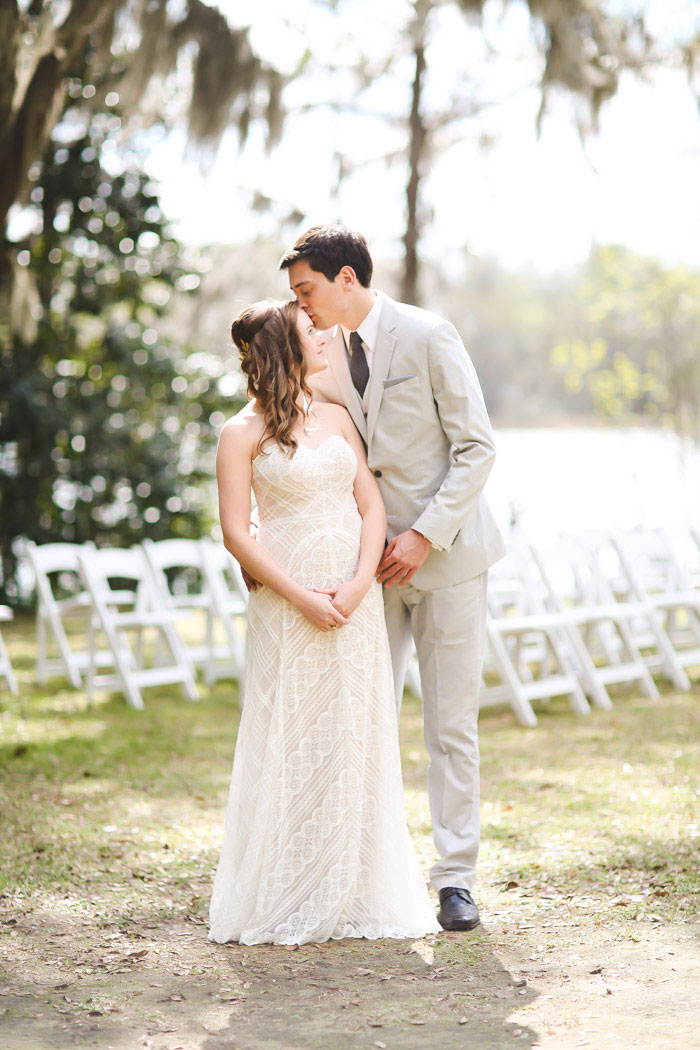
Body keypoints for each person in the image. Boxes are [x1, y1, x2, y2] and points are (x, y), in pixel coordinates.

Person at [277, 224, 507, 931]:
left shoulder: (430, 336)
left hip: (448, 560)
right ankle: (365, 875)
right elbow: (293, 431)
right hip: (366, 570)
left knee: (450, 727)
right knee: (366, 720)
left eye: (306, 290)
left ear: (348, 279)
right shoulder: (323, 355)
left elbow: (477, 448)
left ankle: (455, 880)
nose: (301, 307)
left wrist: (424, 535)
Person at [207, 297, 440, 946]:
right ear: (283, 346)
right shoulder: (239, 434)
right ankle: (288, 885)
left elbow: (369, 506)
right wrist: (302, 596)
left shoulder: (337, 416)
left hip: (353, 599)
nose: (322, 336)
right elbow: (235, 532)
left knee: (355, 731)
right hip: (287, 603)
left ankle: (358, 885)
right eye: (309, 331)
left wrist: (361, 582)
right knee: (291, 730)